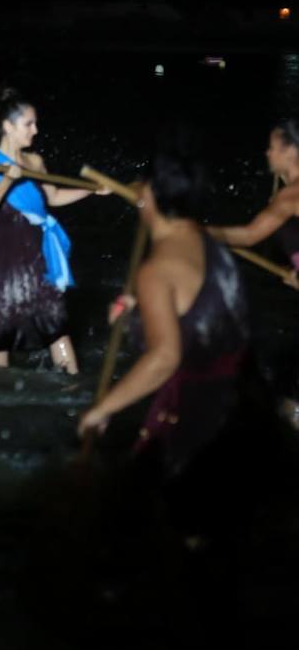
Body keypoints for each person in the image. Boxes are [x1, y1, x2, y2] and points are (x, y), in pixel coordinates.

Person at [78, 142, 249, 490]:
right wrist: (138, 312)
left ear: (151, 197)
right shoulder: (208, 244)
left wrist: (103, 409)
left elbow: (165, 358)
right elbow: (200, 315)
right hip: (242, 404)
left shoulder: (158, 268)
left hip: (194, 414)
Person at [0, 88, 105, 373]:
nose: (35, 130)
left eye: (35, 123)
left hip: (37, 252)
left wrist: (91, 190)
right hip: (2, 254)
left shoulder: (35, 162)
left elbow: (54, 198)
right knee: (0, 327)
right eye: (29, 124)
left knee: (54, 320)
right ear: (8, 127)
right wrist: (7, 180)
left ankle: (71, 387)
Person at [206, 118, 299, 423]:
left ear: (290, 150)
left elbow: (248, 236)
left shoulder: (290, 196)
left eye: (272, 147)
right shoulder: (287, 193)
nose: (267, 153)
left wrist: (195, 231)